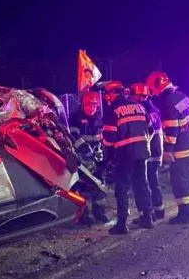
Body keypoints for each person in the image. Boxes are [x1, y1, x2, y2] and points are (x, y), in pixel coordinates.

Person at [146, 71, 189, 224]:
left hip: (180, 149)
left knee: (180, 182)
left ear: (157, 86)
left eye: (152, 89)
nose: (152, 93)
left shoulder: (167, 102)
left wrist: (168, 150)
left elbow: (172, 128)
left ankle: (186, 214)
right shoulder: (182, 96)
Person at [101, 81, 153, 235]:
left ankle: (122, 224)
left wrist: (108, 158)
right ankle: (147, 218)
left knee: (122, 189)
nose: (105, 97)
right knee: (141, 185)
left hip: (124, 155)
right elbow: (151, 129)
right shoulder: (139, 106)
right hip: (142, 153)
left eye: (106, 94)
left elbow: (109, 139)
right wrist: (143, 143)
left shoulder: (112, 110)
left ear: (112, 93)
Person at [68, 91, 108, 225]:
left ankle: (99, 213)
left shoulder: (99, 118)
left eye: (94, 106)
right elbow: (74, 137)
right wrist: (86, 151)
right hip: (82, 158)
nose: (91, 108)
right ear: (82, 105)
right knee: (83, 187)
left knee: (100, 185)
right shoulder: (75, 118)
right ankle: (85, 215)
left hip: (96, 157)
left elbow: (101, 137)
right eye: (88, 105)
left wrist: (101, 152)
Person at [129, 82, 165, 220]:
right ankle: (159, 210)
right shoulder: (154, 109)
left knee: (144, 184)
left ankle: (148, 213)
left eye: (132, 95)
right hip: (157, 151)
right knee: (153, 181)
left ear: (137, 95)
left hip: (147, 152)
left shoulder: (141, 109)